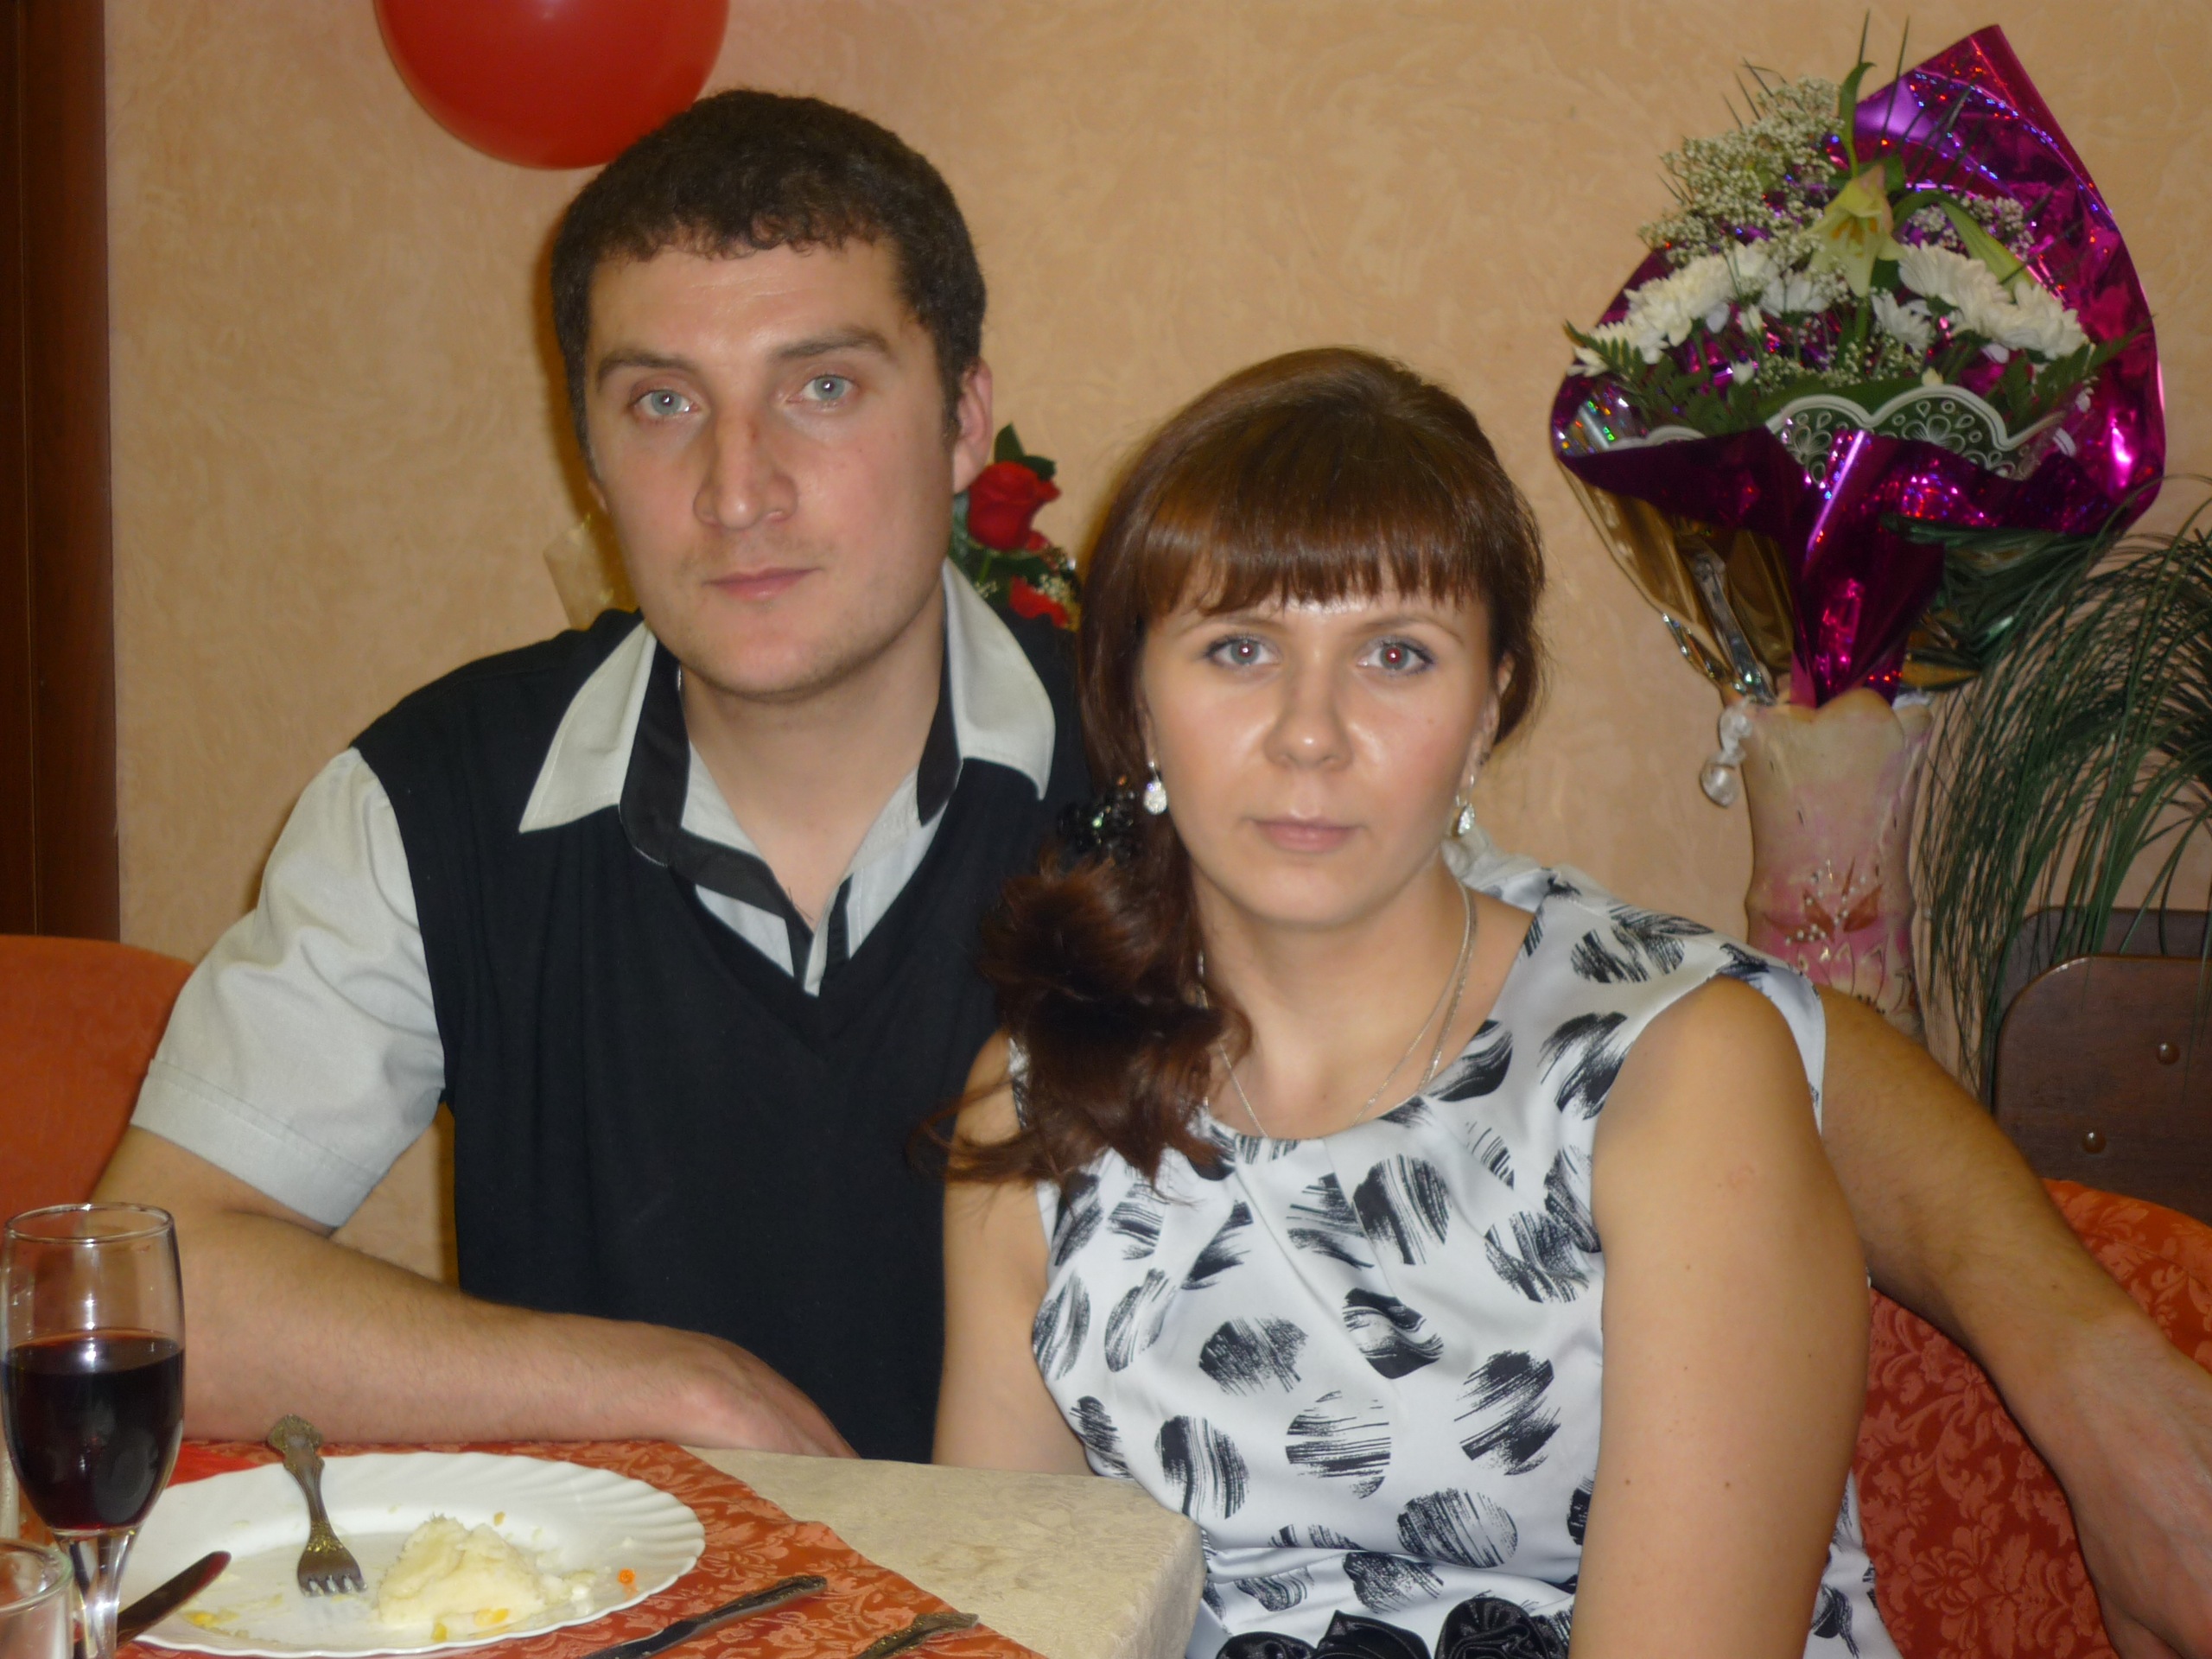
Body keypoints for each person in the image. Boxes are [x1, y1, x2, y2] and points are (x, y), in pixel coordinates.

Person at [91, 86, 2212, 1659]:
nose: (738, 486)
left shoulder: (1187, 759)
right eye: (661, 404)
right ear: (587, 444)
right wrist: (664, 1391)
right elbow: (158, 1276)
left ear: (961, 419)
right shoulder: (438, 800)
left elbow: (1679, 1041)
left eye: (820, 386)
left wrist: (2078, 1358)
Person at [937, 348, 1892, 1658]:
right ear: (1137, 704)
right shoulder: (1043, 1104)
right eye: (1237, 648)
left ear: (1489, 706)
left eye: (1395, 654)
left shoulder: (1672, 1070)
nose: (1310, 732)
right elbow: (1005, 1620)